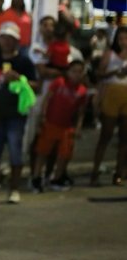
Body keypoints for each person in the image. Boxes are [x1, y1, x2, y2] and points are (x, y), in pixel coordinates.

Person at [0, 22, 37, 204]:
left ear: (16, 41)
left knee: (16, 153)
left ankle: (14, 189)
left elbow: (35, 85)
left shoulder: (24, 61)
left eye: (9, 38)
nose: (5, 42)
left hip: (16, 116)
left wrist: (20, 78)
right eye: (2, 38)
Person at [32, 60, 87, 192]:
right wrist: (42, 117)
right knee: (42, 152)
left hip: (66, 126)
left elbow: (81, 112)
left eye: (80, 72)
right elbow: (47, 99)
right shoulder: (59, 83)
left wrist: (78, 127)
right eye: (74, 71)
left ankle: (56, 178)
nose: (76, 75)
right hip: (51, 123)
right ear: (68, 72)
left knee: (64, 154)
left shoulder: (82, 90)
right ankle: (36, 178)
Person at [90, 26, 127, 186]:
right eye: (121, 39)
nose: (124, 42)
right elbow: (99, 74)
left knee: (124, 138)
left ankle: (119, 172)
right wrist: (115, 72)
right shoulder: (109, 55)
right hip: (111, 93)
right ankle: (95, 171)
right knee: (106, 134)